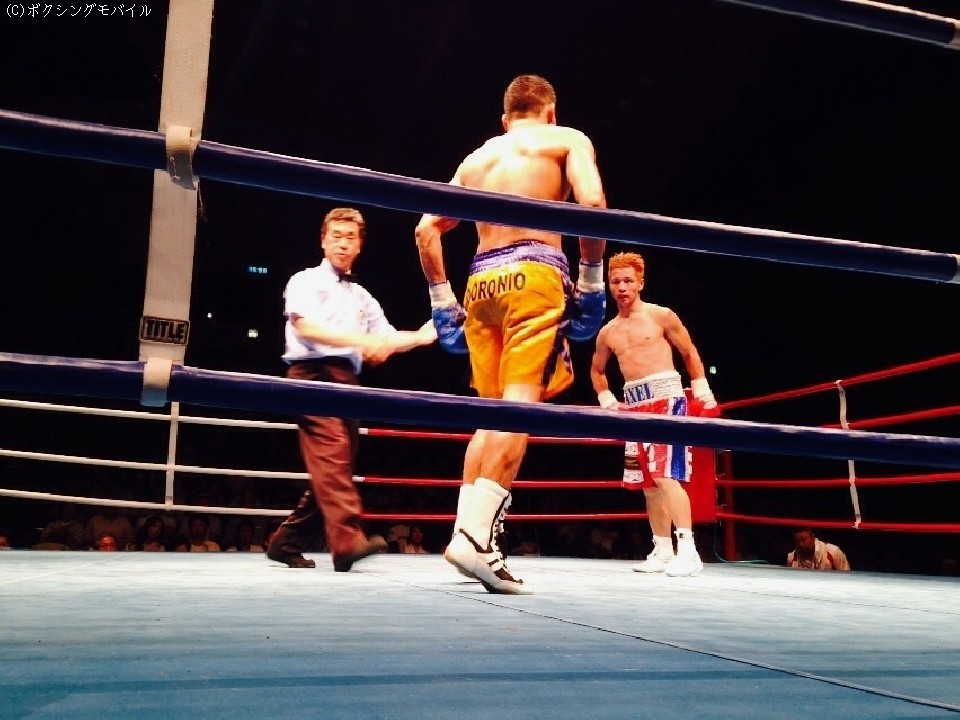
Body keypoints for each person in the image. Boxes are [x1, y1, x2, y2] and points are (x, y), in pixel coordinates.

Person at [415, 74, 607, 594]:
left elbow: (425, 229)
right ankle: (477, 541)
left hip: (480, 284)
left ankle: (465, 531)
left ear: (505, 119)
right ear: (550, 111)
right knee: (520, 410)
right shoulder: (565, 138)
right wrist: (591, 280)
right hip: (535, 276)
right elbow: (592, 205)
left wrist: (442, 301)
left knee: (490, 414)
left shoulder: (476, 160)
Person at [267, 207, 438, 571]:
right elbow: (306, 328)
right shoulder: (305, 280)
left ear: (360, 245)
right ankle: (346, 542)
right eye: (337, 236)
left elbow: (386, 339)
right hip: (312, 375)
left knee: (337, 464)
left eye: (350, 238)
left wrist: (424, 336)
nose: (343, 244)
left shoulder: (362, 296)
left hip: (348, 382)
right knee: (333, 455)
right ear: (323, 240)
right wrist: (362, 342)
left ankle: (286, 542)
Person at [590, 251, 717, 578]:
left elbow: (688, 351)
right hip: (634, 408)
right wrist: (606, 398)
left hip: (667, 401)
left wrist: (701, 387)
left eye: (628, 281)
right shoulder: (608, 332)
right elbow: (597, 370)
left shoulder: (661, 315)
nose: (622, 287)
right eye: (615, 281)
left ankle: (688, 551)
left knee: (666, 476)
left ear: (640, 283)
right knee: (648, 484)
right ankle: (662, 549)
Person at [787, 527, 851, 571]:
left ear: (813, 538)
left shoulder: (834, 553)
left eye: (804, 540)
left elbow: (846, 579)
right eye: (797, 541)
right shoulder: (791, 558)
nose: (800, 544)